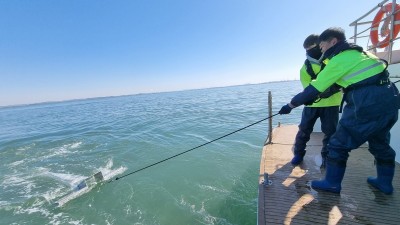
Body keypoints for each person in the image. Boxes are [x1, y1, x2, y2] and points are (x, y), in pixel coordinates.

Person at [279, 27, 399, 195]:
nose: (321, 50)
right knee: (380, 143)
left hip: (365, 102)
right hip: (390, 98)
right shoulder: (363, 54)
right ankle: (384, 184)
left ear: (333, 41)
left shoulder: (338, 60)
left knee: (337, 144)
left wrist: (290, 105)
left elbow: (312, 90)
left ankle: (332, 183)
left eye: (322, 46)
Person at [290, 34, 342, 167]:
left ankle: (326, 157)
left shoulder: (334, 60)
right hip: (311, 105)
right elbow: (308, 89)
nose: (309, 52)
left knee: (331, 133)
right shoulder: (305, 68)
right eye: (306, 50)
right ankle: (298, 154)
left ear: (320, 45)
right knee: (303, 131)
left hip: (332, 104)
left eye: (312, 48)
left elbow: (341, 81)